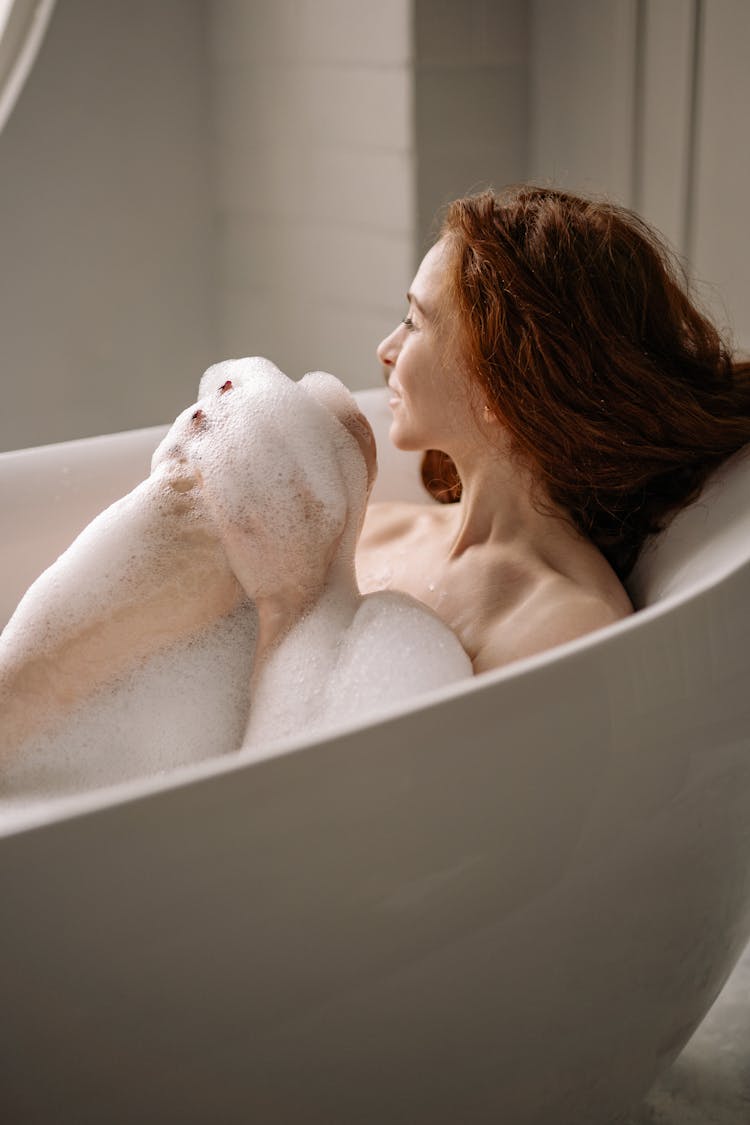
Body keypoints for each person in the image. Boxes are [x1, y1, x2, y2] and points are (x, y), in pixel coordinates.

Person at [355, 185, 750, 674]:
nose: (385, 349)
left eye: (415, 323)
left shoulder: (561, 624)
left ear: (498, 390)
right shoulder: (378, 523)